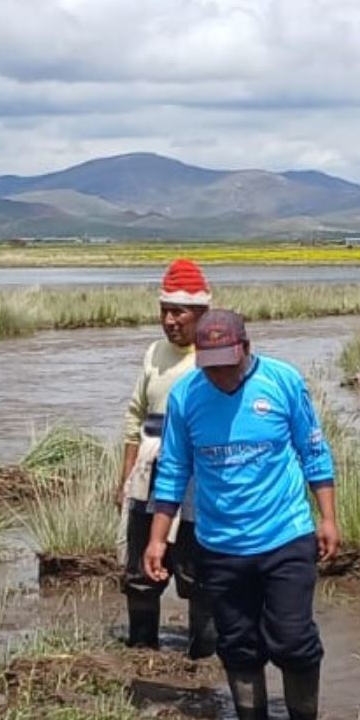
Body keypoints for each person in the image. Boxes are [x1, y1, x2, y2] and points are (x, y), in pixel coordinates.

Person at [141, 310, 339, 720]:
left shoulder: (283, 381)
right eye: (209, 367)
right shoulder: (186, 397)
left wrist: (328, 517)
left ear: (245, 349)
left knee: (292, 640)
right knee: (237, 646)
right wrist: (158, 540)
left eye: (227, 366)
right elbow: (174, 471)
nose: (219, 377)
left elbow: (314, 451)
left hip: (285, 535)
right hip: (220, 545)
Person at [118, 258, 217, 657]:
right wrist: (125, 479)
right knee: (141, 566)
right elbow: (134, 416)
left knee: (198, 569)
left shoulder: (214, 354)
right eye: (164, 311)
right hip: (150, 470)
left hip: (199, 476)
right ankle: (142, 649)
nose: (170, 320)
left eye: (179, 312)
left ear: (202, 313)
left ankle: (203, 656)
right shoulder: (154, 352)